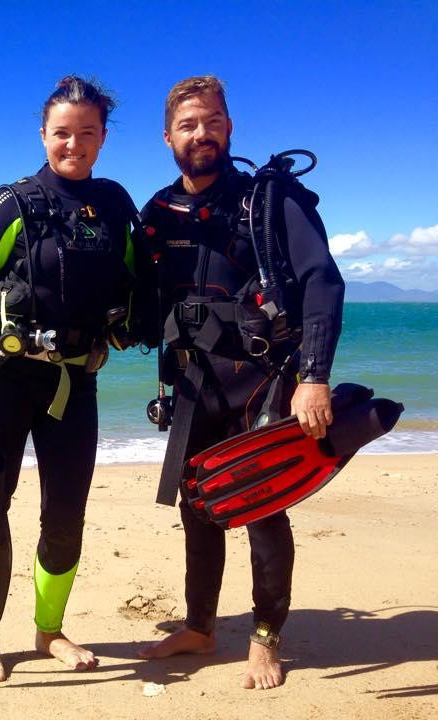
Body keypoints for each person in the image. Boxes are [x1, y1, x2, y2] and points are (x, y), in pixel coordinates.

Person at [136, 76, 345, 689]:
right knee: (199, 507)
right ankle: (200, 626)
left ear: (230, 127)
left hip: (264, 379)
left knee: (261, 507)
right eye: (188, 124)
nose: (201, 133)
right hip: (195, 384)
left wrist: (315, 377)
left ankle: (265, 638)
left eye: (213, 121)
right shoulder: (156, 214)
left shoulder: (267, 201)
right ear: (168, 137)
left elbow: (322, 284)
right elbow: (139, 301)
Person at [0, 75, 142, 683]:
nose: (74, 144)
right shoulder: (14, 202)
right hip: (3, 384)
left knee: (65, 515)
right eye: (62, 132)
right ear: (43, 134)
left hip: (72, 386)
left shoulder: (113, 206)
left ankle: (49, 629)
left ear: (104, 137)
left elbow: (140, 287)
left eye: (87, 133)